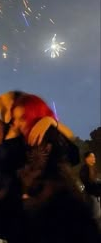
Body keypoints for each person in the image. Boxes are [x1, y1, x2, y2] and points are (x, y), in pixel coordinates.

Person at [7, 93, 100, 243]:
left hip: (60, 217)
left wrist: (52, 122)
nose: (17, 124)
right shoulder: (19, 144)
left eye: (22, 118)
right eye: (15, 119)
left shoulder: (48, 137)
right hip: (43, 219)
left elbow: (73, 154)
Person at [80, 151, 101, 227]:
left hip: (95, 196)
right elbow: (90, 184)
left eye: (94, 156)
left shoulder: (92, 169)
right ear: (87, 159)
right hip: (92, 197)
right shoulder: (84, 170)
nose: (94, 158)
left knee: (97, 218)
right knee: (95, 218)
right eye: (92, 157)